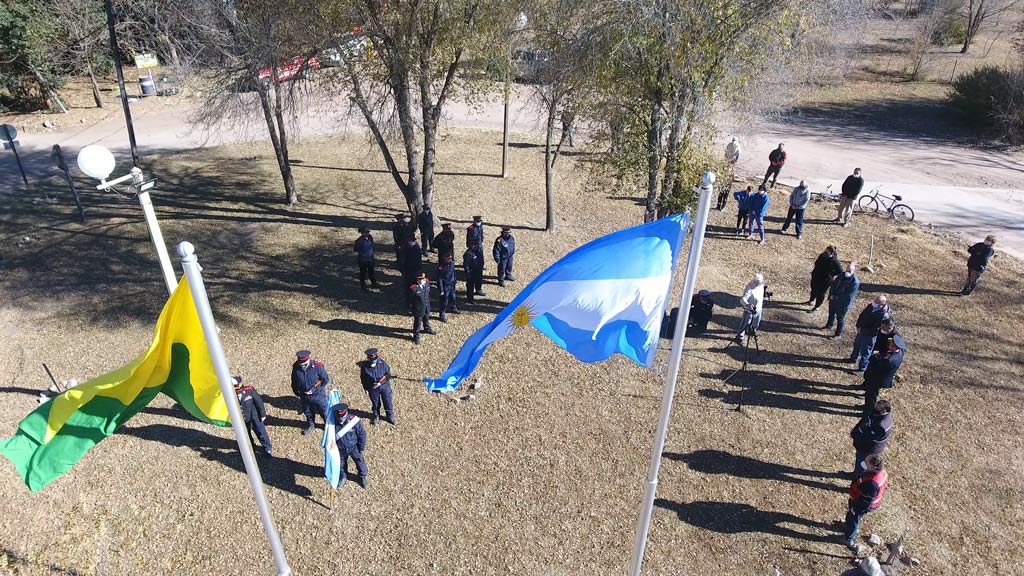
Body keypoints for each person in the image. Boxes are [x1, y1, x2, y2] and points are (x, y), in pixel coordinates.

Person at [843, 454, 889, 549]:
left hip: (861, 504)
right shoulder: (882, 472)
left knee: (854, 518)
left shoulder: (872, 483)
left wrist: (855, 509)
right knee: (852, 517)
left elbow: (865, 502)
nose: (863, 463)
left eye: (866, 462)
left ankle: (848, 538)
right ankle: (848, 526)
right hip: (862, 500)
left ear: (873, 466)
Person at [862, 335, 905, 415]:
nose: (889, 346)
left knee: (871, 396)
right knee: (870, 395)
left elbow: (876, 366)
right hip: (879, 377)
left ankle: (868, 411)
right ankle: (866, 406)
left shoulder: (889, 360)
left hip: (877, 379)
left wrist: (874, 356)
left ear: (895, 348)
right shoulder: (900, 352)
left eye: (891, 345)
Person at [291, 350, 330, 435]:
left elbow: (325, 379)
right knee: (308, 412)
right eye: (300, 363)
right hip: (304, 396)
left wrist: (315, 389)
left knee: (323, 411)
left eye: (303, 364)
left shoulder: (317, 367)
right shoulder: (296, 366)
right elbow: (294, 380)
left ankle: (328, 425)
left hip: (318, 396)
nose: (301, 366)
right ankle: (311, 425)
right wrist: (296, 391)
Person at [850, 400, 892, 478]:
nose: (875, 406)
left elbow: (868, 437)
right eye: (877, 403)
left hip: (870, 448)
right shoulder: (879, 415)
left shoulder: (881, 425)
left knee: (863, 465)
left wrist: (857, 436)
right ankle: (855, 474)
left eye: (878, 406)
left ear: (884, 410)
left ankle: (857, 480)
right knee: (859, 461)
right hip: (865, 445)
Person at [330, 403, 369, 488]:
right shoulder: (331, 423)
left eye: (342, 417)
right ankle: (343, 476)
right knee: (341, 464)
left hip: (354, 447)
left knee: (360, 462)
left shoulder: (353, 421)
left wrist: (361, 447)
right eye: (338, 417)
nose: (340, 419)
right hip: (340, 449)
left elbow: (361, 434)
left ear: (346, 413)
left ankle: (363, 477)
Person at [850, 295, 891, 373]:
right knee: (857, 345)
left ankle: (862, 368)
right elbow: (862, 315)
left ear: (881, 304)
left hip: (870, 335)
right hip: (861, 331)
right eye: (874, 301)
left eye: (876, 302)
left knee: (866, 352)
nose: (874, 303)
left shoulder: (884, 316)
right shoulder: (871, 306)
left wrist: (863, 330)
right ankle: (853, 358)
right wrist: (858, 326)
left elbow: (876, 329)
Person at [234, 376, 272, 457]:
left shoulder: (249, 390)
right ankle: (251, 447)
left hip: (254, 417)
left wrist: (262, 414)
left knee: (261, 433)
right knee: (246, 435)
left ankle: (267, 448)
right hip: (243, 419)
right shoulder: (232, 395)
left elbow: (259, 402)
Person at [359, 348, 395, 425]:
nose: (373, 361)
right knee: (375, 403)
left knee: (387, 401)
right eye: (371, 359)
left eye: (374, 359)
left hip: (384, 386)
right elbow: (363, 378)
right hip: (372, 388)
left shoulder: (382, 364)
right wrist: (365, 388)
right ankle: (376, 416)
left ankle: (390, 416)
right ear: (368, 358)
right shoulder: (364, 367)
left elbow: (388, 375)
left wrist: (381, 382)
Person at [826, 262, 860, 339]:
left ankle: (838, 334)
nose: (847, 272)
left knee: (840, 318)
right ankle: (829, 325)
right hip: (833, 299)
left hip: (843, 304)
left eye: (850, 271)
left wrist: (836, 297)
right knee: (831, 313)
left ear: (854, 271)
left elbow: (848, 295)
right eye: (847, 270)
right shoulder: (841, 275)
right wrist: (831, 295)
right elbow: (834, 285)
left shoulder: (855, 282)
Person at [807, 246, 843, 311]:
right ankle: (811, 300)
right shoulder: (822, 255)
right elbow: (817, 262)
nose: (825, 252)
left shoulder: (834, 261)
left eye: (827, 251)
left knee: (820, 293)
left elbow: (840, 270)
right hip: (816, 276)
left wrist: (830, 273)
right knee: (814, 289)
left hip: (825, 280)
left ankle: (816, 307)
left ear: (830, 253)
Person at [736, 274, 766, 344]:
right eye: (756, 282)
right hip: (749, 310)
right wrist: (747, 304)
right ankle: (740, 337)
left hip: (758, 309)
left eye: (759, 282)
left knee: (756, 323)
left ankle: (751, 330)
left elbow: (760, 294)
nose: (758, 284)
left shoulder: (761, 285)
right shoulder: (749, 288)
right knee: (745, 323)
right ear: (754, 281)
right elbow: (742, 299)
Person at [409, 272, 435, 344]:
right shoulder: (413, 288)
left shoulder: (426, 283)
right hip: (418, 309)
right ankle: (416, 335)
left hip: (426, 306)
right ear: (417, 279)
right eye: (420, 279)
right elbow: (411, 300)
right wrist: (413, 309)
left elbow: (428, 294)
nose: (422, 280)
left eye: (423, 279)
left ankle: (427, 328)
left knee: (426, 318)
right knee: (418, 323)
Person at [354, 227, 379, 291]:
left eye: (368, 232)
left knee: (371, 272)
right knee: (363, 273)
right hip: (363, 260)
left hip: (370, 258)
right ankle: (363, 286)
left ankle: (374, 283)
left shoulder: (370, 237)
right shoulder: (359, 241)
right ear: (362, 233)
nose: (367, 233)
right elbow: (356, 250)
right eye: (366, 232)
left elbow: (372, 245)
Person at [437, 253, 459, 321]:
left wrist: (455, 281)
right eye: (448, 258)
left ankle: (453, 307)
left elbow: (454, 273)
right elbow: (439, 279)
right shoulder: (441, 267)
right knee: (444, 301)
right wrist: (441, 289)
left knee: (453, 297)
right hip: (445, 286)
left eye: (450, 258)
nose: (450, 259)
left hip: (452, 284)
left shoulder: (452, 264)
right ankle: (442, 314)